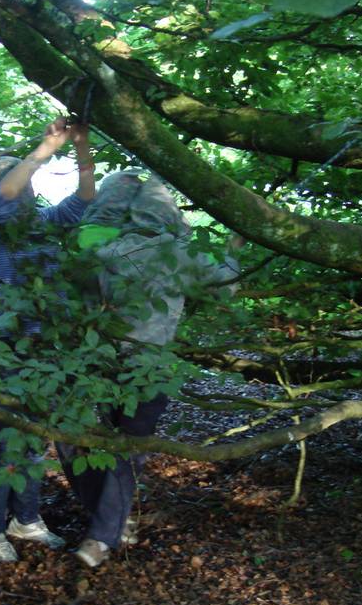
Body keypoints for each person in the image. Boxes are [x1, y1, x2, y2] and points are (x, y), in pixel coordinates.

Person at [57, 169, 239, 568]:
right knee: (128, 449)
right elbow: (226, 288)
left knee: (84, 441)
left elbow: (78, 298)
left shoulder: (102, 252)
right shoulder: (183, 254)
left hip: (97, 362)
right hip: (149, 366)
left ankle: (106, 525)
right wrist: (232, 248)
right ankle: (104, 534)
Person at [0, 117, 96, 562]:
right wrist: (44, 149)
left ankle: (26, 520)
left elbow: (83, 200)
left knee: (36, 441)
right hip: (7, 354)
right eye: (18, 184)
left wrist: (81, 145)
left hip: (48, 353)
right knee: (9, 445)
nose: (25, 191)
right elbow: (3, 198)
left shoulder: (40, 223)